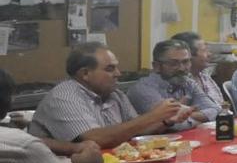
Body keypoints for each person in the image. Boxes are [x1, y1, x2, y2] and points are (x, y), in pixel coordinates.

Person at [29, 43, 183, 148]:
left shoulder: (114, 94)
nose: (118, 74)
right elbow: (96, 139)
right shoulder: (64, 97)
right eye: (110, 69)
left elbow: (136, 131)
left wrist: (165, 121)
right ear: (85, 73)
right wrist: (152, 116)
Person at [127, 40, 220, 130]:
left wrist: (186, 114)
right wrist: (199, 121)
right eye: (173, 63)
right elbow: (175, 126)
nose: (181, 68)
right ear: (156, 66)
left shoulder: (188, 82)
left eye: (185, 62)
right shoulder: (143, 89)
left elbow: (215, 110)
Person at [171, 31, 225, 106]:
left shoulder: (205, 77)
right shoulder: (177, 84)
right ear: (188, 55)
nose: (209, 54)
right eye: (204, 50)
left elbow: (221, 105)